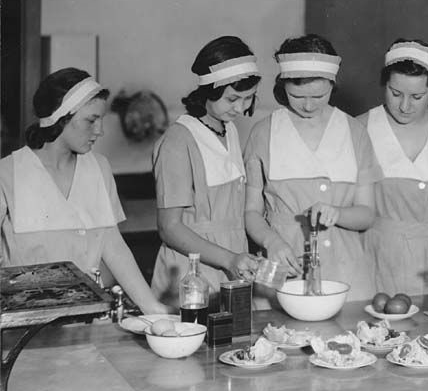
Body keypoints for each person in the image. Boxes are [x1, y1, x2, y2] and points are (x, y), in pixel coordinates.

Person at [0, 68, 167, 315]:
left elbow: (113, 246)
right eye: (91, 120)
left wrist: (153, 308)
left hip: (86, 316)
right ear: (60, 118)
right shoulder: (8, 172)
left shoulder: (98, 167)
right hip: (24, 324)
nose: (100, 130)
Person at [244, 34, 378, 301]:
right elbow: (251, 211)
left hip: (346, 268)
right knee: (277, 337)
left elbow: (367, 214)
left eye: (319, 95)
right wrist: (271, 241)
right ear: (283, 87)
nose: (308, 105)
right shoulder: (264, 133)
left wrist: (337, 213)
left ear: (333, 84)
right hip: (281, 264)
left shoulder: (355, 132)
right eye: (296, 96)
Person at [151, 36, 263, 306]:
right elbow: (170, 228)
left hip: (232, 267)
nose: (241, 108)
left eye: (248, 98)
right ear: (208, 92)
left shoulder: (230, 130)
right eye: (232, 98)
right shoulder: (178, 141)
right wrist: (229, 259)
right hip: (190, 271)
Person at [359, 39, 428, 295]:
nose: (404, 106)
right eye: (395, 93)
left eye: (417, 96)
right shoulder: (363, 128)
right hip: (376, 258)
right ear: (384, 85)